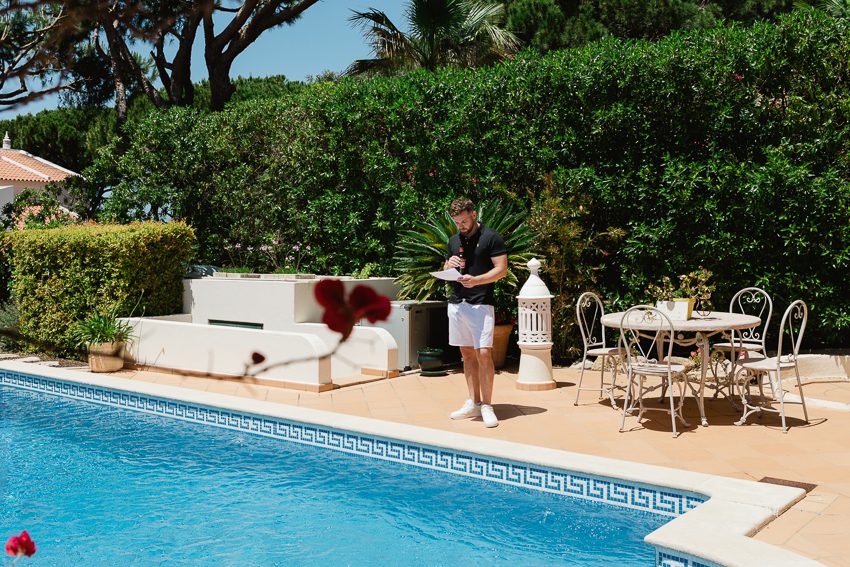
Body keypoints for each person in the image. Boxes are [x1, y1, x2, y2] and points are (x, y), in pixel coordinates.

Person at [443, 197, 508, 427]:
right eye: (456, 222)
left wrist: (477, 280)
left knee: (484, 354)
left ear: (473, 214)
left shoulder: (491, 237)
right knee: (467, 354)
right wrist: (448, 265)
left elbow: (502, 269)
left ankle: (487, 405)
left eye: (463, 221)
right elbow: (446, 268)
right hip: (457, 303)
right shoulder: (454, 241)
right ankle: (474, 402)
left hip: (481, 304)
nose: (460, 226)